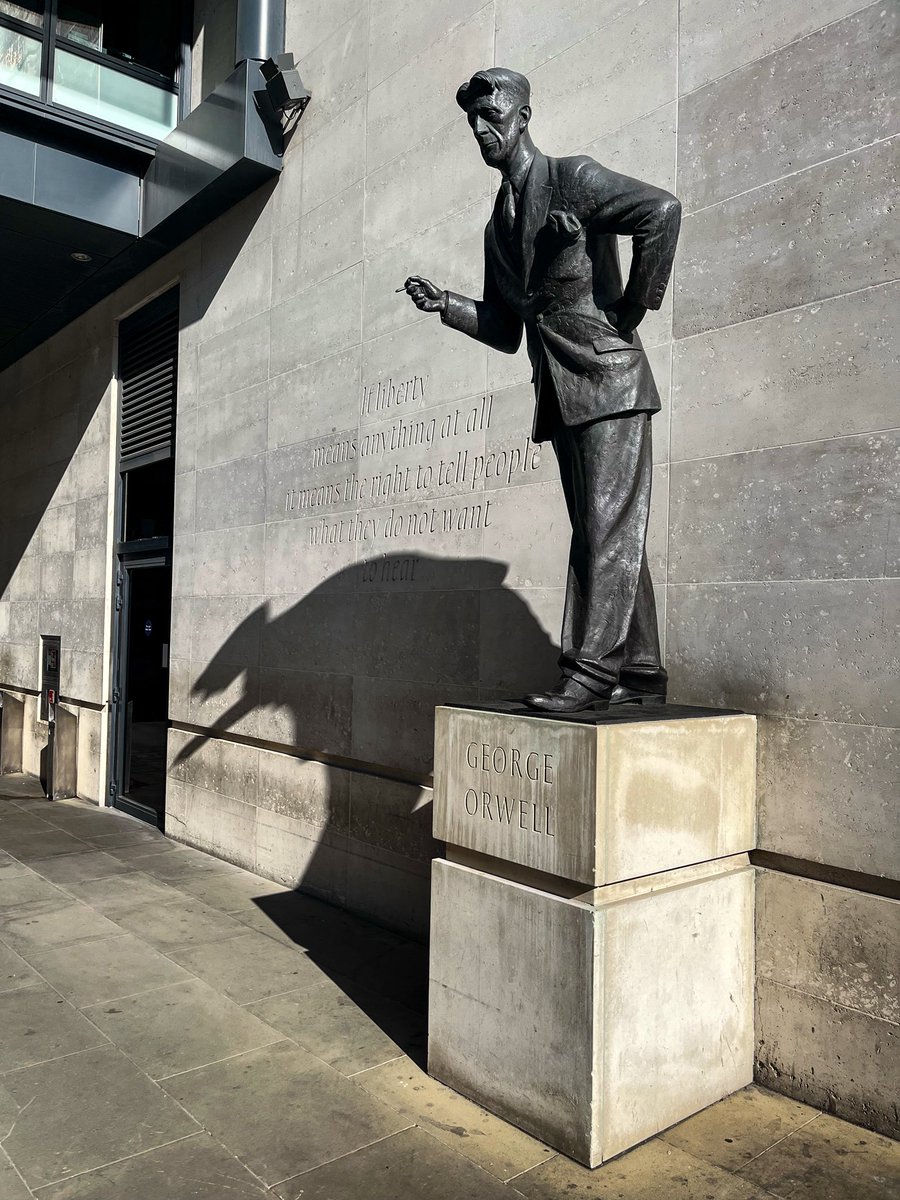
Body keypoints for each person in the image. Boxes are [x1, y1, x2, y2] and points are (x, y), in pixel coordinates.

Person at [403, 67, 681, 713]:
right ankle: (641, 672)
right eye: (472, 120)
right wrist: (446, 304)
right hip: (561, 393)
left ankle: (589, 672)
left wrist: (630, 312)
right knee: (606, 526)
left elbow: (661, 212)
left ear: (523, 118)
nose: (481, 129)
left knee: (604, 529)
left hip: (610, 380)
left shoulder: (573, 178)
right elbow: (505, 329)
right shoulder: (497, 227)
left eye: (491, 116)